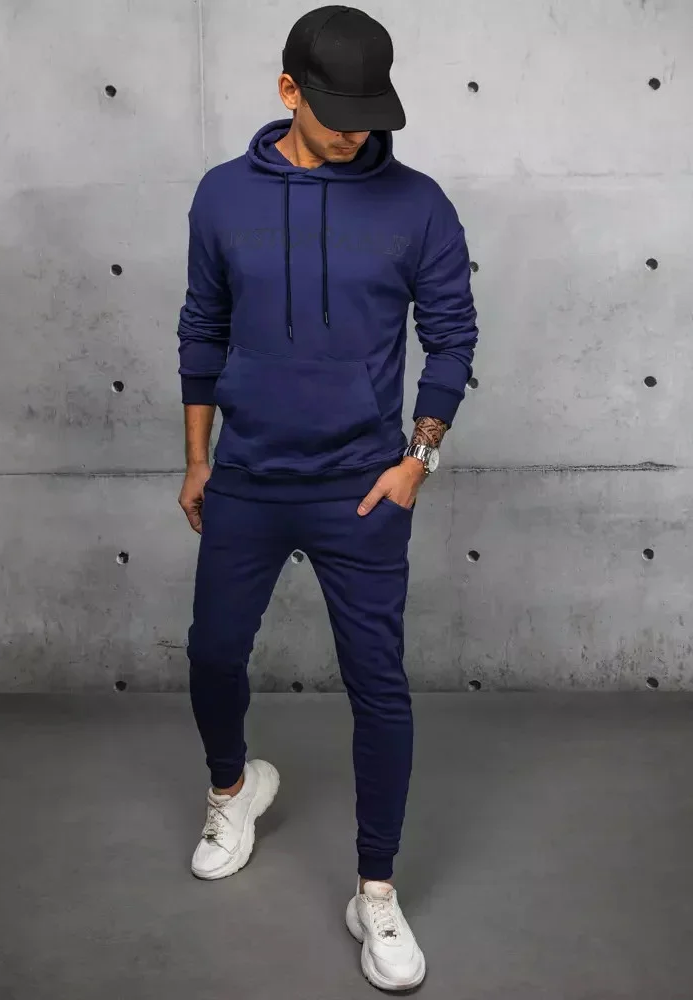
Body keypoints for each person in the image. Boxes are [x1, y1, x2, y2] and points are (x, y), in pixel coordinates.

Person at [176, 5, 478, 990]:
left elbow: (453, 336)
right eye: (339, 114)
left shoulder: (417, 204)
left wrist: (416, 461)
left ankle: (375, 892)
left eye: (371, 114)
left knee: (379, 687)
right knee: (213, 654)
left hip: (362, 489)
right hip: (249, 481)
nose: (358, 133)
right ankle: (234, 788)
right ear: (288, 91)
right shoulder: (223, 197)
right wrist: (198, 458)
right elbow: (202, 328)